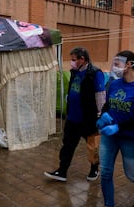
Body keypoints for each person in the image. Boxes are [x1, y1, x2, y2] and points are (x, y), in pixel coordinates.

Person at [91, 50, 134, 207]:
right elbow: (107, 105)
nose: (114, 66)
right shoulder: (115, 84)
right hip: (110, 137)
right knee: (106, 172)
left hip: (130, 138)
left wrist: (118, 126)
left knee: (131, 173)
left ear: (130, 64)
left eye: (118, 62)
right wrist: (103, 117)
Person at [44, 47, 106, 182]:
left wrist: (100, 115)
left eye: (73, 60)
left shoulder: (95, 73)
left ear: (82, 59)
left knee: (92, 145)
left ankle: (94, 169)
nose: (71, 63)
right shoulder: (74, 72)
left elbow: (100, 95)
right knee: (67, 145)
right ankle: (62, 171)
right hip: (72, 118)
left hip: (88, 119)